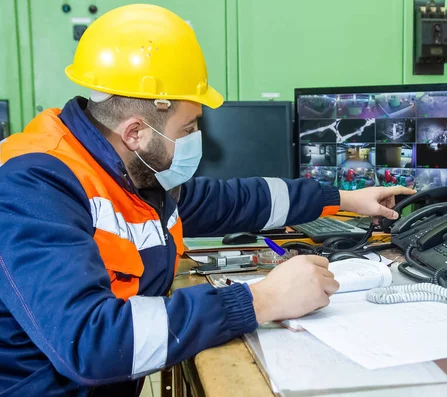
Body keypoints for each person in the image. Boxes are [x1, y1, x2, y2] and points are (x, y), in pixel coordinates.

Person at [0, 4, 414, 397]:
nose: (196, 140)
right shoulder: (32, 185)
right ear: (135, 133)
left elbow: (230, 201)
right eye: (189, 127)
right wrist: (260, 300)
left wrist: (342, 198)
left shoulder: (129, 171)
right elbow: (91, 342)